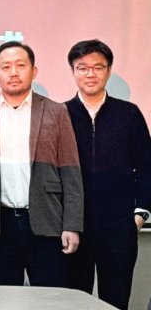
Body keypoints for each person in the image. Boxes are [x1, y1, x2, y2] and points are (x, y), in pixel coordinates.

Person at [0, 41, 83, 287]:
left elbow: (71, 172)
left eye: (20, 66)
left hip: (47, 224)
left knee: (50, 299)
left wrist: (72, 225)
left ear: (33, 71)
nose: (13, 73)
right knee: (3, 299)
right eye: (6, 67)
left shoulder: (56, 112)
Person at [64, 39, 151, 309]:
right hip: (73, 226)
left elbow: (146, 166)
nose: (90, 74)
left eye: (98, 67)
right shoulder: (61, 114)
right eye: (83, 68)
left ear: (109, 71)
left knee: (115, 300)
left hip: (118, 226)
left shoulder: (128, 114)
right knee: (72, 301)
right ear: (73, 71)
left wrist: (140, 214)